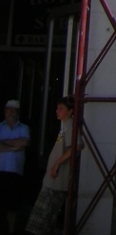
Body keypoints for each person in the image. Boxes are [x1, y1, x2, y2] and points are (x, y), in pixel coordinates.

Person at [25, 96, 81, 235]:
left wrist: (57, 164)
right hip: (52, 181)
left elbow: (76, 146)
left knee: (41, 220)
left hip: (56, 182)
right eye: (57, 108)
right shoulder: (65, 126)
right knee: (45, 220)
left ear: (71, 111)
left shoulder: (70, 126)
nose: (57, 111)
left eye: (61, 108)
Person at [0, 100, 30, 235]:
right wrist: (15, 147)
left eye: (14, 110)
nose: (11, 112)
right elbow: (19, 143)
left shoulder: (24, 128)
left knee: (12, 207)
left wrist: (4, 144)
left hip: (15, 172)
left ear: (18, 113)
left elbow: (24, 142)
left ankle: (11, 232)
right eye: (8, 109)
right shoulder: (0, 127)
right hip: (0, 171)